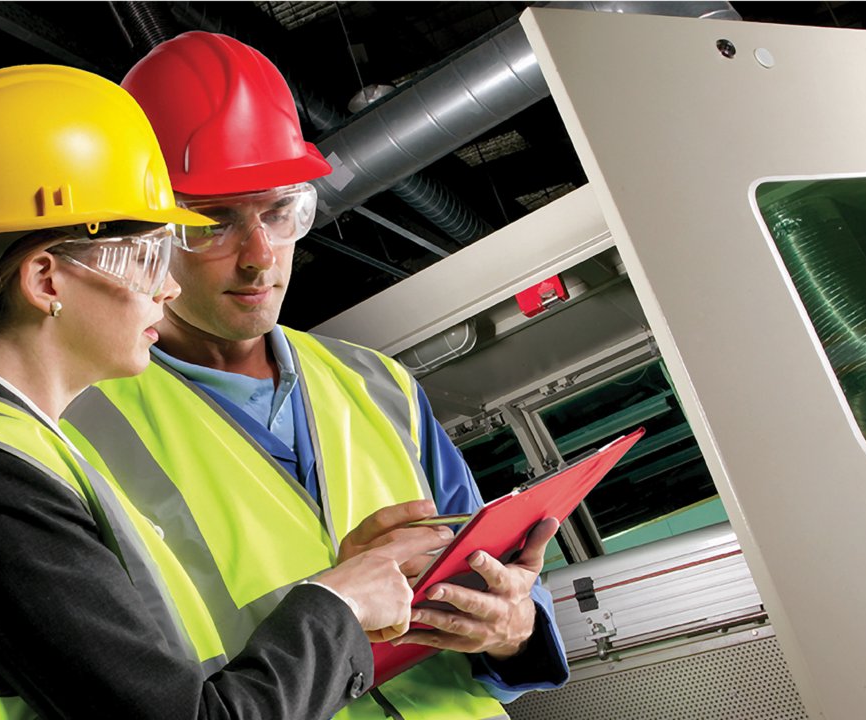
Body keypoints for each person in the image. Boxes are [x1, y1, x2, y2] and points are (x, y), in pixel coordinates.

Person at [0, 64, 444, 719]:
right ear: (47, 282)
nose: (167, 289)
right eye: (145, 259)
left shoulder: (13, 451)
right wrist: (336, 604)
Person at [62, 32, 570, 719]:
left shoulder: (377, 384)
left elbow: (491, 570)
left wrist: (514, 627)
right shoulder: (78, 431)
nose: (259, 256)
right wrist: (336, 599)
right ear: (145, 230)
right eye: (213, 224)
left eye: (280, 212)